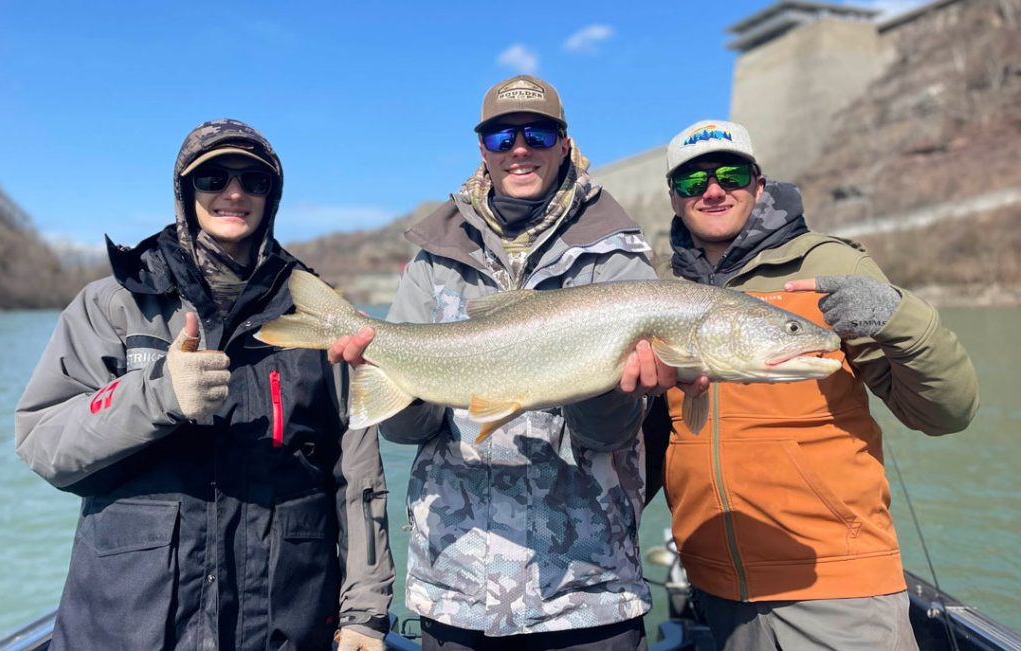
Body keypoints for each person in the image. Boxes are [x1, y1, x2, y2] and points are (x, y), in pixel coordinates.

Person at [15, 118, 393, 651]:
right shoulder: (111, 304)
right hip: (128, 628)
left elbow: (356, 474)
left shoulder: (322, 316)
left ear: (272, 196)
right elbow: (45, 443)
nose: (233, 192)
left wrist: (365, 612)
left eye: (253, 181)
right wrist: (158, 395)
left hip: (285, 626)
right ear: (184, 192)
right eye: (213, 177)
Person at [330, 74, 674, 650]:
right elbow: (407, 429)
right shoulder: (433, 261)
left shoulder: (619, 258)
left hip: (586, 595)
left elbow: (611, 435)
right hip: (455, 591)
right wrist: (385, 370)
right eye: (501, 136)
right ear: (482, 150)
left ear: (565, 143)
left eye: (538, 133)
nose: (520, 147)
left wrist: (615, 390)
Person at [646, 119, 979, 650]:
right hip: (720, 591)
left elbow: (944, 413)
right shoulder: (663, 294)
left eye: (729, 174)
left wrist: (900, 315)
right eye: (692, 182)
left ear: (758, 182)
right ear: (673, 197)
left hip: (837, 583)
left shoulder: (831, 264)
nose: (712, 190)